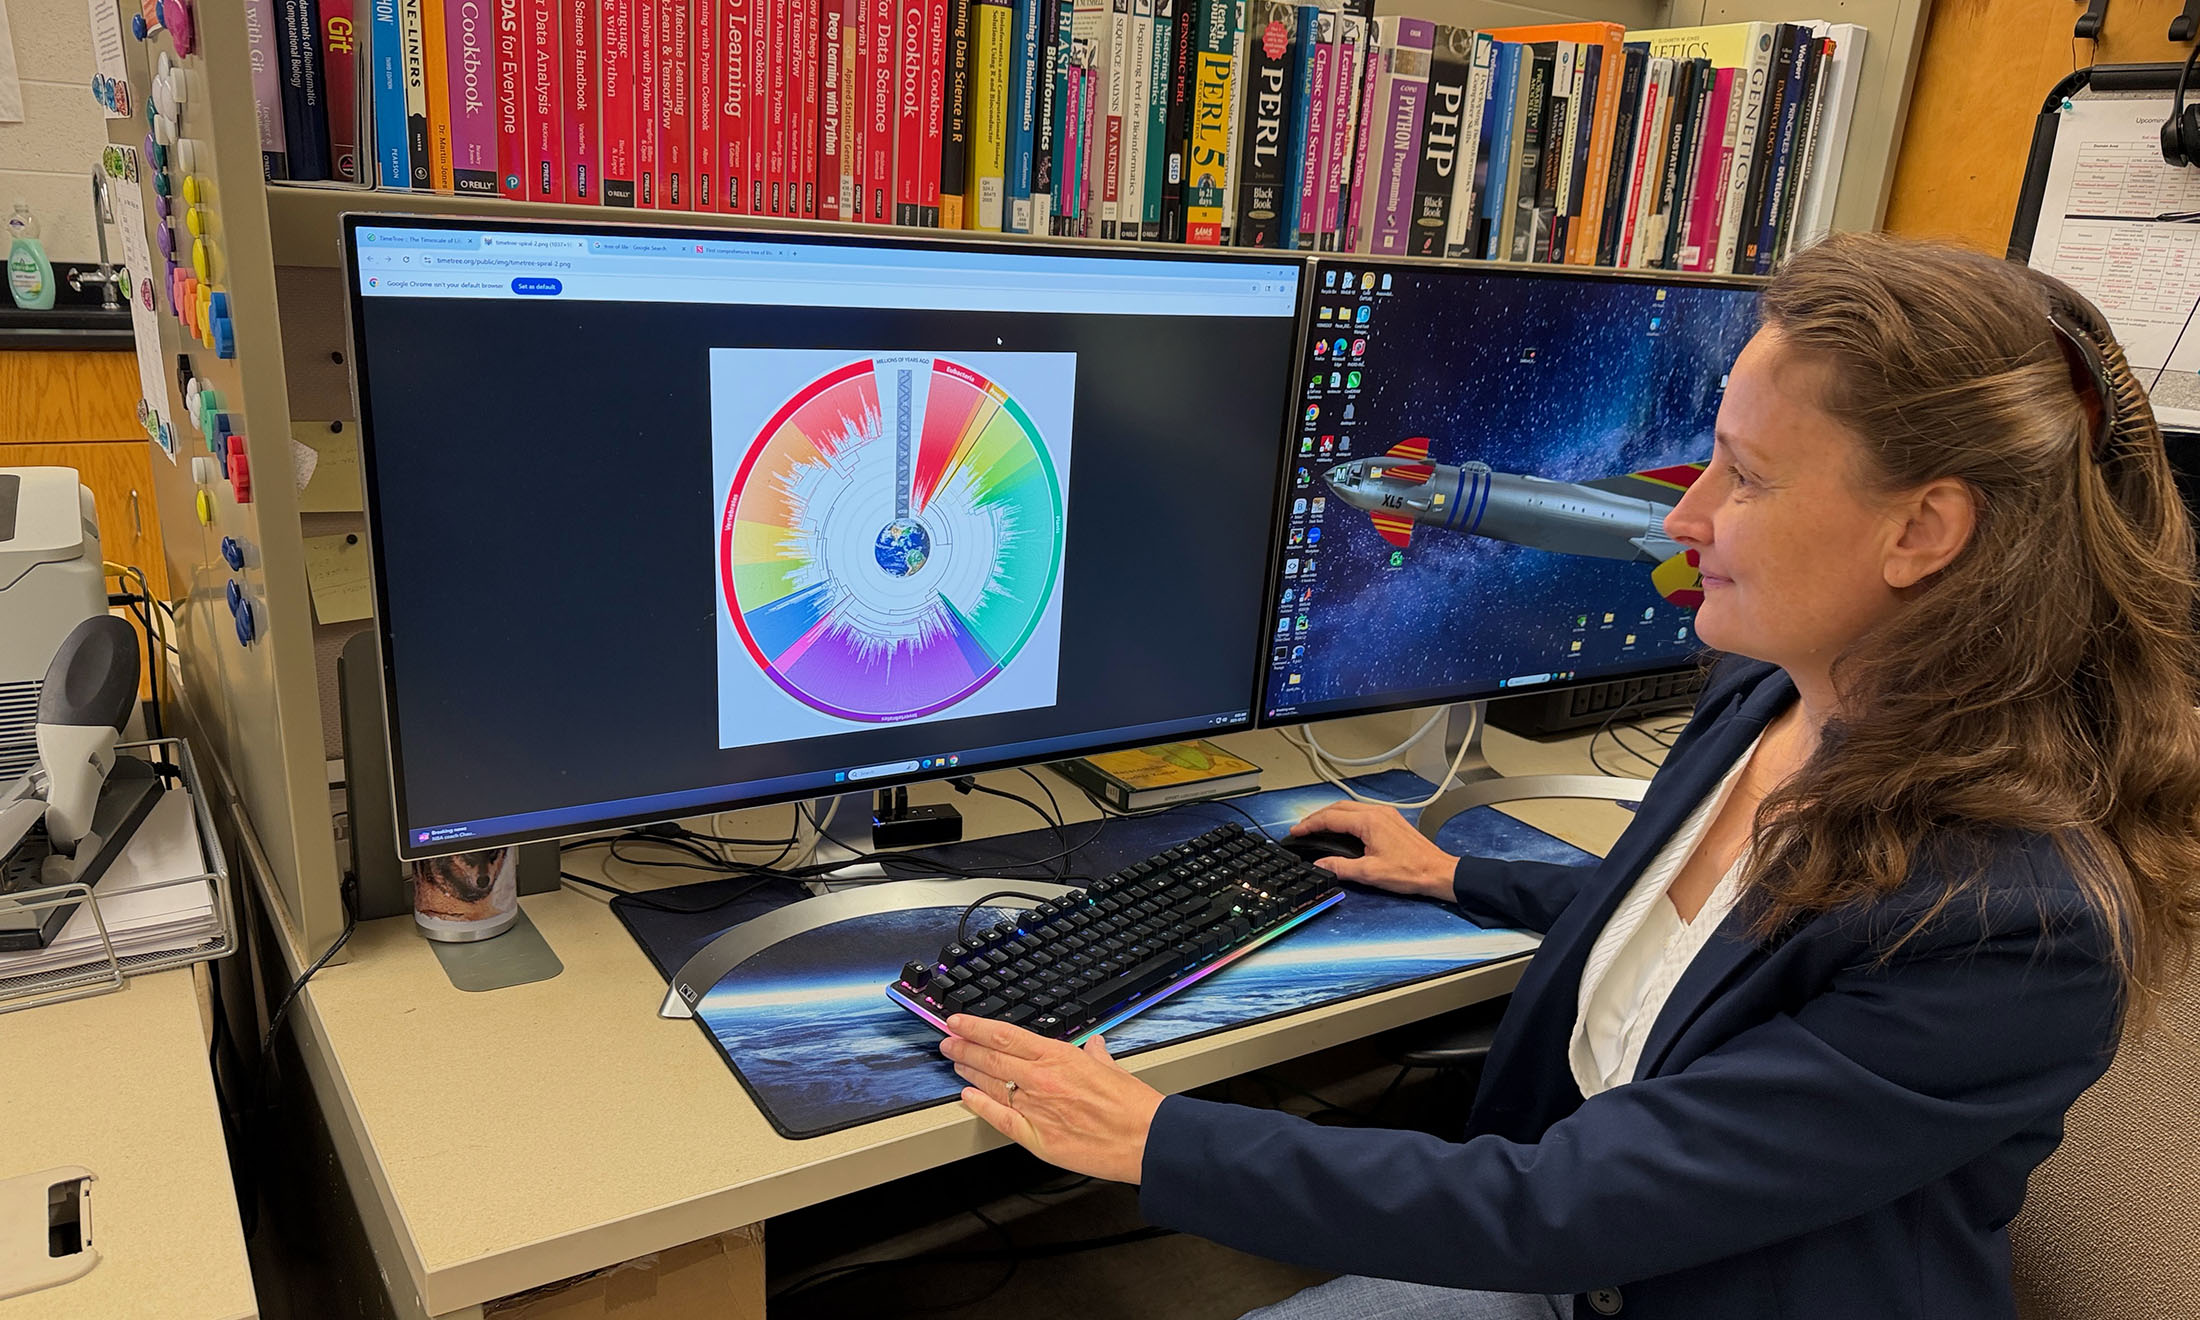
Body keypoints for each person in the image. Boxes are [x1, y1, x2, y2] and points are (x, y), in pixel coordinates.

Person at [936, 234, 2200, 1319]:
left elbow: (1569, 1204)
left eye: (1746, 477)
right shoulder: (1777, 692)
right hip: (1587, 1263)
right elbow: (1708, 944)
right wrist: (1460, 873)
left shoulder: (2014, 921)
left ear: (1924, 530)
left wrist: (1159, 1138)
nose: (1685, 516)